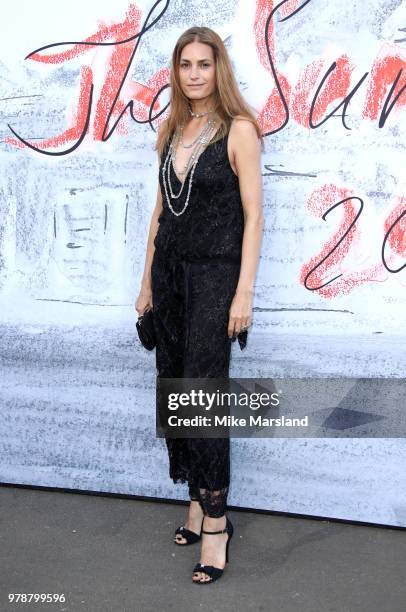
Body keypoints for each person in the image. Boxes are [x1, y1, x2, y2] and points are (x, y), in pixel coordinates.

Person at [135, 26, 264, 584]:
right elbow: (160, 218)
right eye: (185, 64)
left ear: (219, 70)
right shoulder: (172, 130)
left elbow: (255, 218)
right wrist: (145, 285)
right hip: (169, 280)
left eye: (203, 64)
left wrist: (243, 292)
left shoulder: (239, 130)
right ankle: (195, 500)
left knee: (204, 398)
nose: (194, 74)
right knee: (175, 389)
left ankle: (216, 523)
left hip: (215, 283)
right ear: (177, 70)